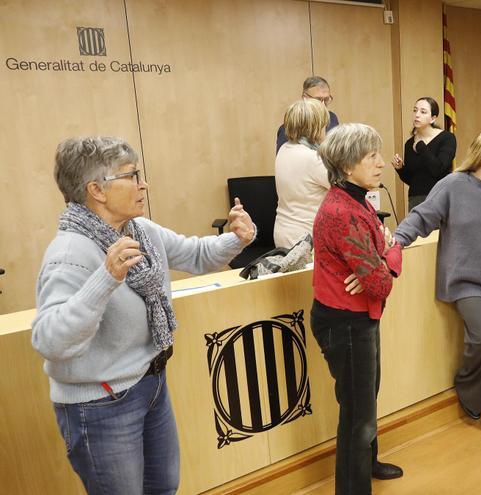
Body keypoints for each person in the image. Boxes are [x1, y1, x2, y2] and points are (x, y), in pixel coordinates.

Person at [31, 136, 255, 494]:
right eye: (131, 175)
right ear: (97, 190)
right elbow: (51, 341)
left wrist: (236, 239)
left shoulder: (140, 231)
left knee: (164, 488)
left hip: (150, 385)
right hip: (102, 403)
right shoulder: (69, 252)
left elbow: (196, 254)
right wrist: (105, 279)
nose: (143, 184)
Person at [394, 130, 481, 440]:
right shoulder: (453, 185)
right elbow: (422, 217)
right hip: (466, 279)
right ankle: (469, 390)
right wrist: (397, 240)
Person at [312, 123, 404, 494]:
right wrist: (389, 257)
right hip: (345, 323)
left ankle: (367, 462)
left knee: (365, 400)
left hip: (358, 318)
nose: (382, 163)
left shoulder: (355, 199)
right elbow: (381, 283)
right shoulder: (342, 211)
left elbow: (377, 264)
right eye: (372, 157)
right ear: (348, 166)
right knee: (356, 413)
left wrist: (380, 257)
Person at [274, 98, 331, 248]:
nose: (326, 129)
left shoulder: (285, 148)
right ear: (314, 128)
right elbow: (345, 187)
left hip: (284, 232)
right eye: (324, 125)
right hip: (305, 238)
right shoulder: (312, 158)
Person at [390, 97, 457, 211]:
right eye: (415, 110)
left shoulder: (446, 138)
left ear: (433, 118)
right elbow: (413, 180)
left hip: (439, 196)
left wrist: (421, 146)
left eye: (423, 112)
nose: (417, 115)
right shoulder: (409, 143)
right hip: (416, 200)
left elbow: (438, 169)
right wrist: (401, 168)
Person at [276, 76, 340, 153]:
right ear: (305, 98)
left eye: (326, 99)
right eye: (318, 99)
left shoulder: (332, 118)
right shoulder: (289, 128)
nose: (323, 105)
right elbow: (285, 160)